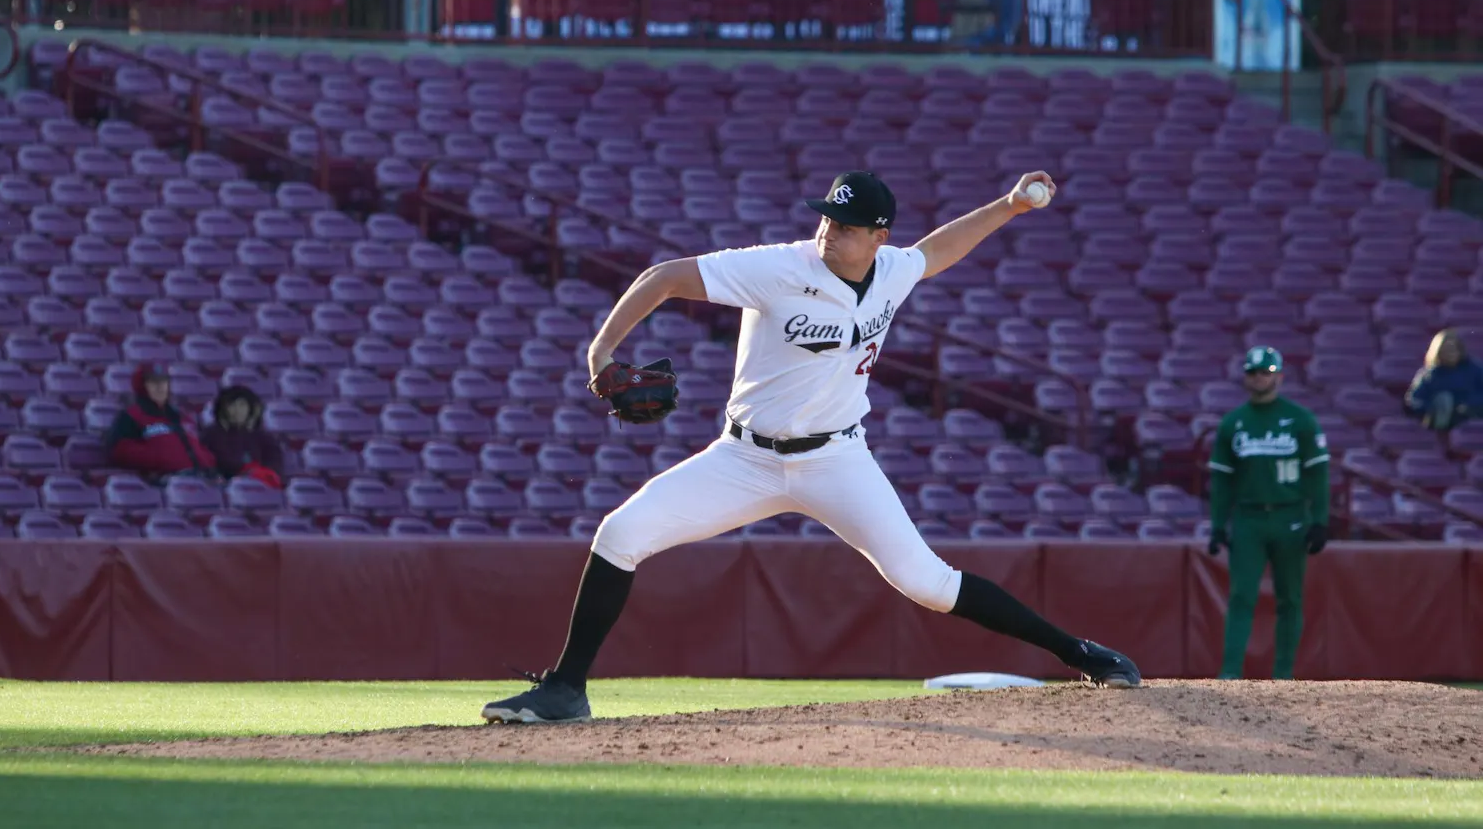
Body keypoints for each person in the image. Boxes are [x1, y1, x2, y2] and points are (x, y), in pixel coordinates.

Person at [481, 170, 1143, 725]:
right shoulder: (778, 267)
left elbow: (940, 251)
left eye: (848, 226)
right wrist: (602, 350)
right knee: (620, 534)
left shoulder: (892, 270)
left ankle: (1080, 653)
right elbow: (664, 276)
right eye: (828, 218)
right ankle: (567, 689)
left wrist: (1009, 204)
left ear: (878, 237)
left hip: (836, 460)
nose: (831, 231)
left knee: (927, 582)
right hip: (745, 458)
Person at [1206, 346, 1330, 681]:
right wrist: (1218, 525)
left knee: (1290, 598)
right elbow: (1221, 480)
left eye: (1266, 371)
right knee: (1241, 595)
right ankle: (1230, 673)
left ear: (1279, 375)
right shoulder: (1234, 422)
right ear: (1245, 377)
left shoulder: (1300, 420)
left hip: (1290, 517)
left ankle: (1284, 676)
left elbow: (1318, 474)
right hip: (1249, 519)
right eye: (1253, 372)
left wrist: (1320, 520)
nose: (1259, 377)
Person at [105, 363, 219, 482]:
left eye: (163, 382)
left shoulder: (182, 417)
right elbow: (120, 451)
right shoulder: (131, 416)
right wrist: (162, 459)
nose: (160, 387)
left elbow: (199, 447)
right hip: (166, 483)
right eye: (153, 383)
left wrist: (209, 463)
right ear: (142, 386)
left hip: (201, 479)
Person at [199, 384, 285, 489]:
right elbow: (205, 462)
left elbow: (274, 463)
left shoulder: (263, 436)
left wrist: (255, 473)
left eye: (242, 405)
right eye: (232, 405)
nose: (237, 410)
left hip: (257, 486)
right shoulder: (210, 434)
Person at [1403, 328, 1483, 432]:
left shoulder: (1475, 369)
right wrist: (1431, 408)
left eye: (1453, 349)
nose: (1451, 353)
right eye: (1446, 350)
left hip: (1470, 415)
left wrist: (1467, 404)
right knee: (1444, 399)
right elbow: (1415, 399)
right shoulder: (1429, 374)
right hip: (1441, 418)